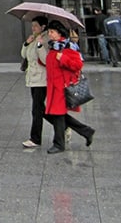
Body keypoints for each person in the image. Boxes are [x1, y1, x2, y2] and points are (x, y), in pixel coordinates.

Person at [43, 20, 95, 153]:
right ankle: (86, 131)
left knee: (58, 115)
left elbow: (78, 65)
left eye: (52, 32)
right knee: (57, 114)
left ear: (59, 32)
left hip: (62, 87)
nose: (50, 34)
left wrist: (63, 59)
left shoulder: (67, 47)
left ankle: (59, 144)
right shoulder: (53, 47)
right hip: (54, 86)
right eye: (49, 32)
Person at [21, 16, 49, 148]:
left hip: (42, 79)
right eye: (32, 26)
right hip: (32, 78)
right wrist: (27, 43)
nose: (33, 28)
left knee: (37, 110)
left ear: (43, 27)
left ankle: (35, 138)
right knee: (41, 109)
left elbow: (45, 60)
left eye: (36, 26)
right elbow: (24, 55)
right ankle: (65, 125)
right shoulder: (33, 37)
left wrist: (39, 45)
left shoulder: (46, 38)